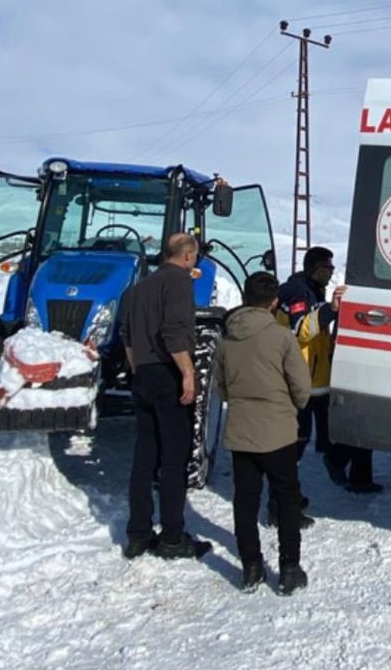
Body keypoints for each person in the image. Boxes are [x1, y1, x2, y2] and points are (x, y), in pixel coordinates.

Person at [215, 271, 313, 595]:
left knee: (245, 499)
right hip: (278, 430)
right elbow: (302, 387)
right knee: (286, 498)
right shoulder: (283, 337)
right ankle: (288, 569)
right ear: (274, 302)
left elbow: (220, 386)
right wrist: (292, 407)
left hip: (242, 428)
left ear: (244, 297)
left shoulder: (227, 338)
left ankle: (251, 567)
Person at [117, 232, 213, 561]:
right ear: (187, 256)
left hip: (142, 374)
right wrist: (187, 373)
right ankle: (173, 538)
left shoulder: (138, 288)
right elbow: (174, 331)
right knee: (174, 459)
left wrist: (137, 369)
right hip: (167, 374)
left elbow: (127, 335)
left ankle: (138, 533)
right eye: (195, 255)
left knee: (145, 456)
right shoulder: (179, 283)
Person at [278, 247, 383, 495]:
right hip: (302, 380)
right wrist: (330, 310)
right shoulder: (298, 292)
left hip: (318, 379)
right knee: (297, 441)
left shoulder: (314, 290)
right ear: (314, 268)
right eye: (328, 267)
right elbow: (302, 329)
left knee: (340, 427)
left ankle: (351, 472)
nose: (331, 272)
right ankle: (282, 496)